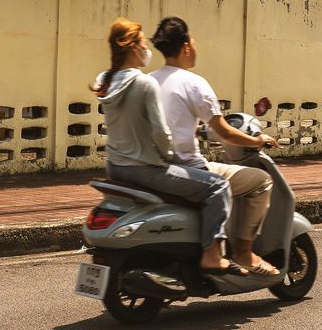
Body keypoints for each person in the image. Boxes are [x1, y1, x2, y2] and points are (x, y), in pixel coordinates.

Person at [92, 17, 242, 276]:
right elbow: (161, 133)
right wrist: (170, 156)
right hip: (146, 168)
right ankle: (212, 256)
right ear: (132, 47)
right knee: (218, 187)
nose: (146, 49)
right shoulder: (144, 82)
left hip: (116, 168)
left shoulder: (105, 80)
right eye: (141, 43)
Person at [149, 16, 278, 277]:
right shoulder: (193, 82)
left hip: (153, 167)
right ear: (186, 46)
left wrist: (195, 129)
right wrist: (257, 140)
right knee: (261, 181)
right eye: (193, 41)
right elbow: (226, 132)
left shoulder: (148, 81)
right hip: (187, 168)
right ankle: (243, 252)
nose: (196, 47)